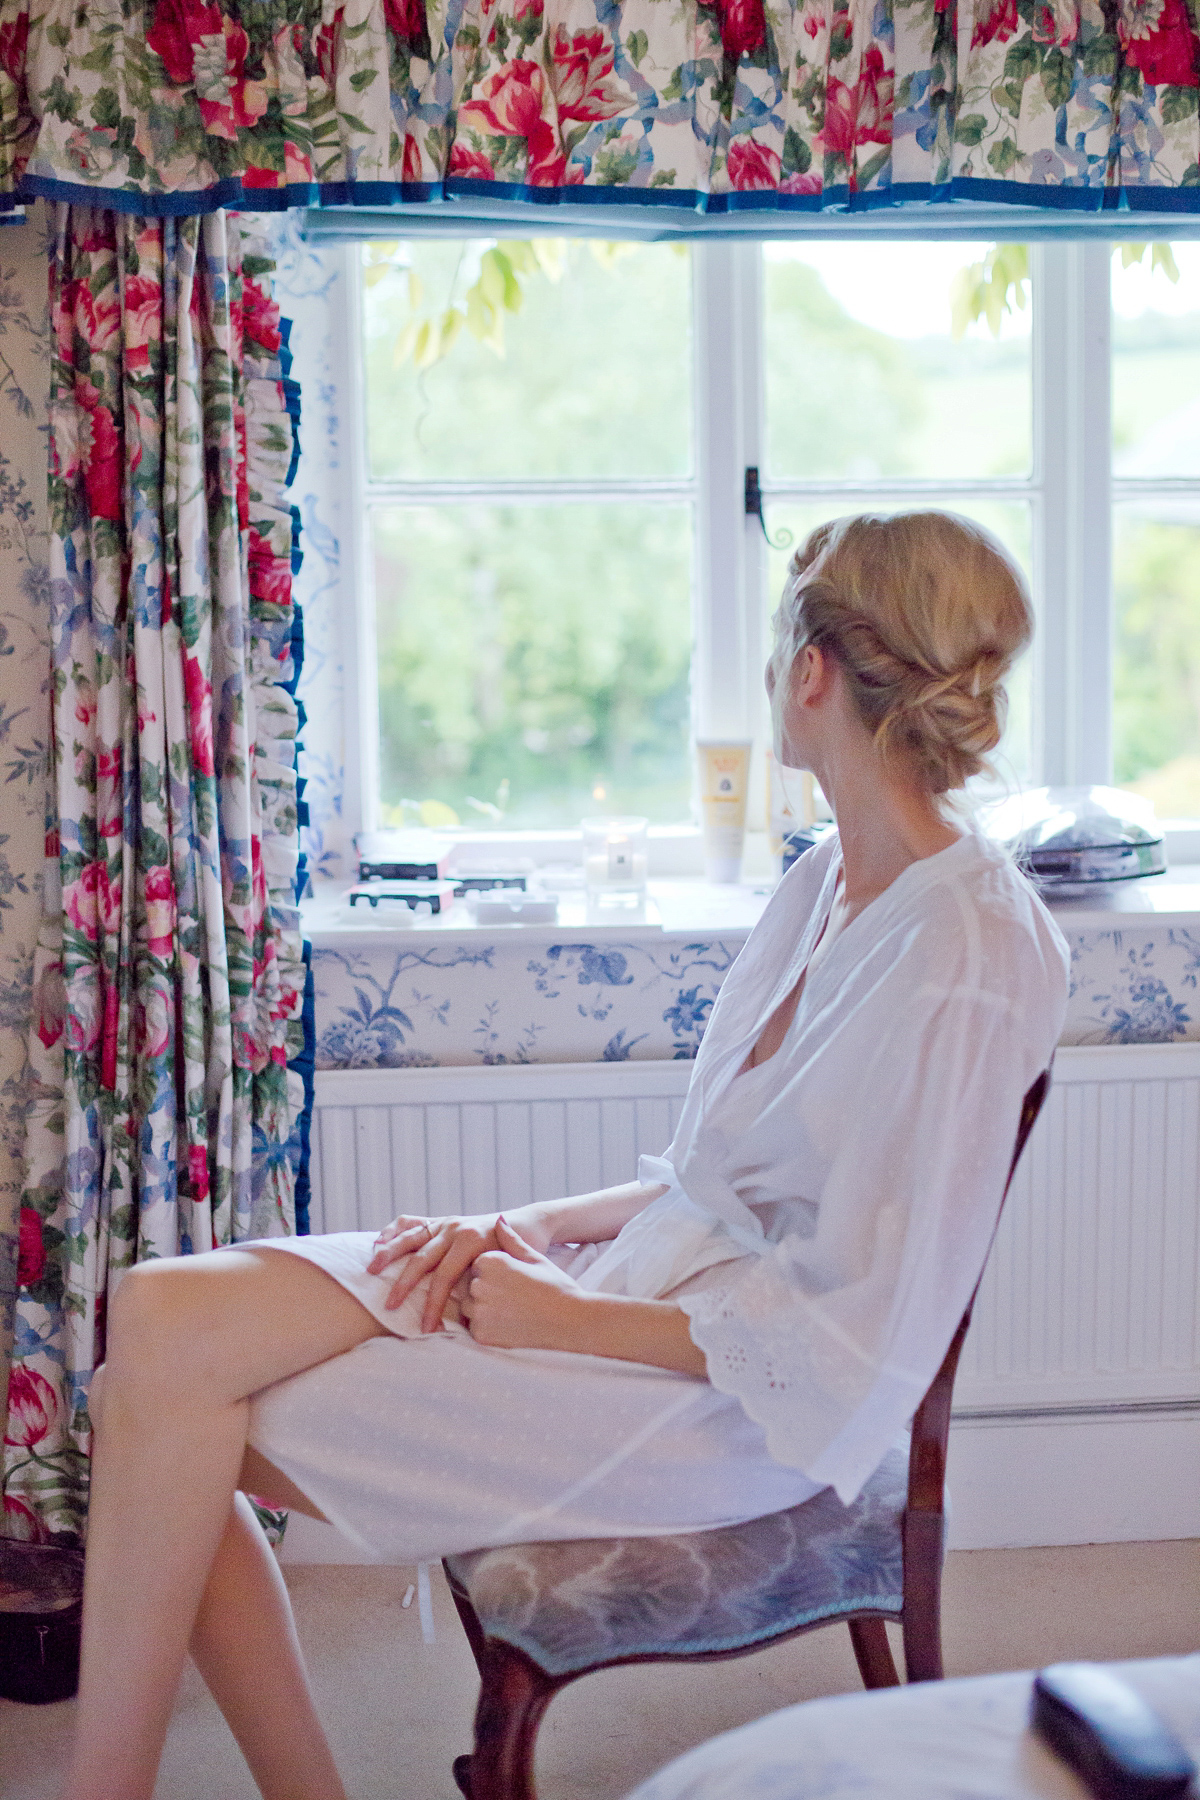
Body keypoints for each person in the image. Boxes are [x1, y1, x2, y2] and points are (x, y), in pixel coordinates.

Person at [60, 511, 1069, 1800]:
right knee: (154, 1322)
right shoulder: (826, 880)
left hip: (721, 1411)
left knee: (163, 1404)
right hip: (634, 1297)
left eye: (776, 654)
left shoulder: (971, 954)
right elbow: (715, 1182)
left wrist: (564, 1321)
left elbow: (855, 1338)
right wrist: (517, 1226)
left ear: (812, 671)